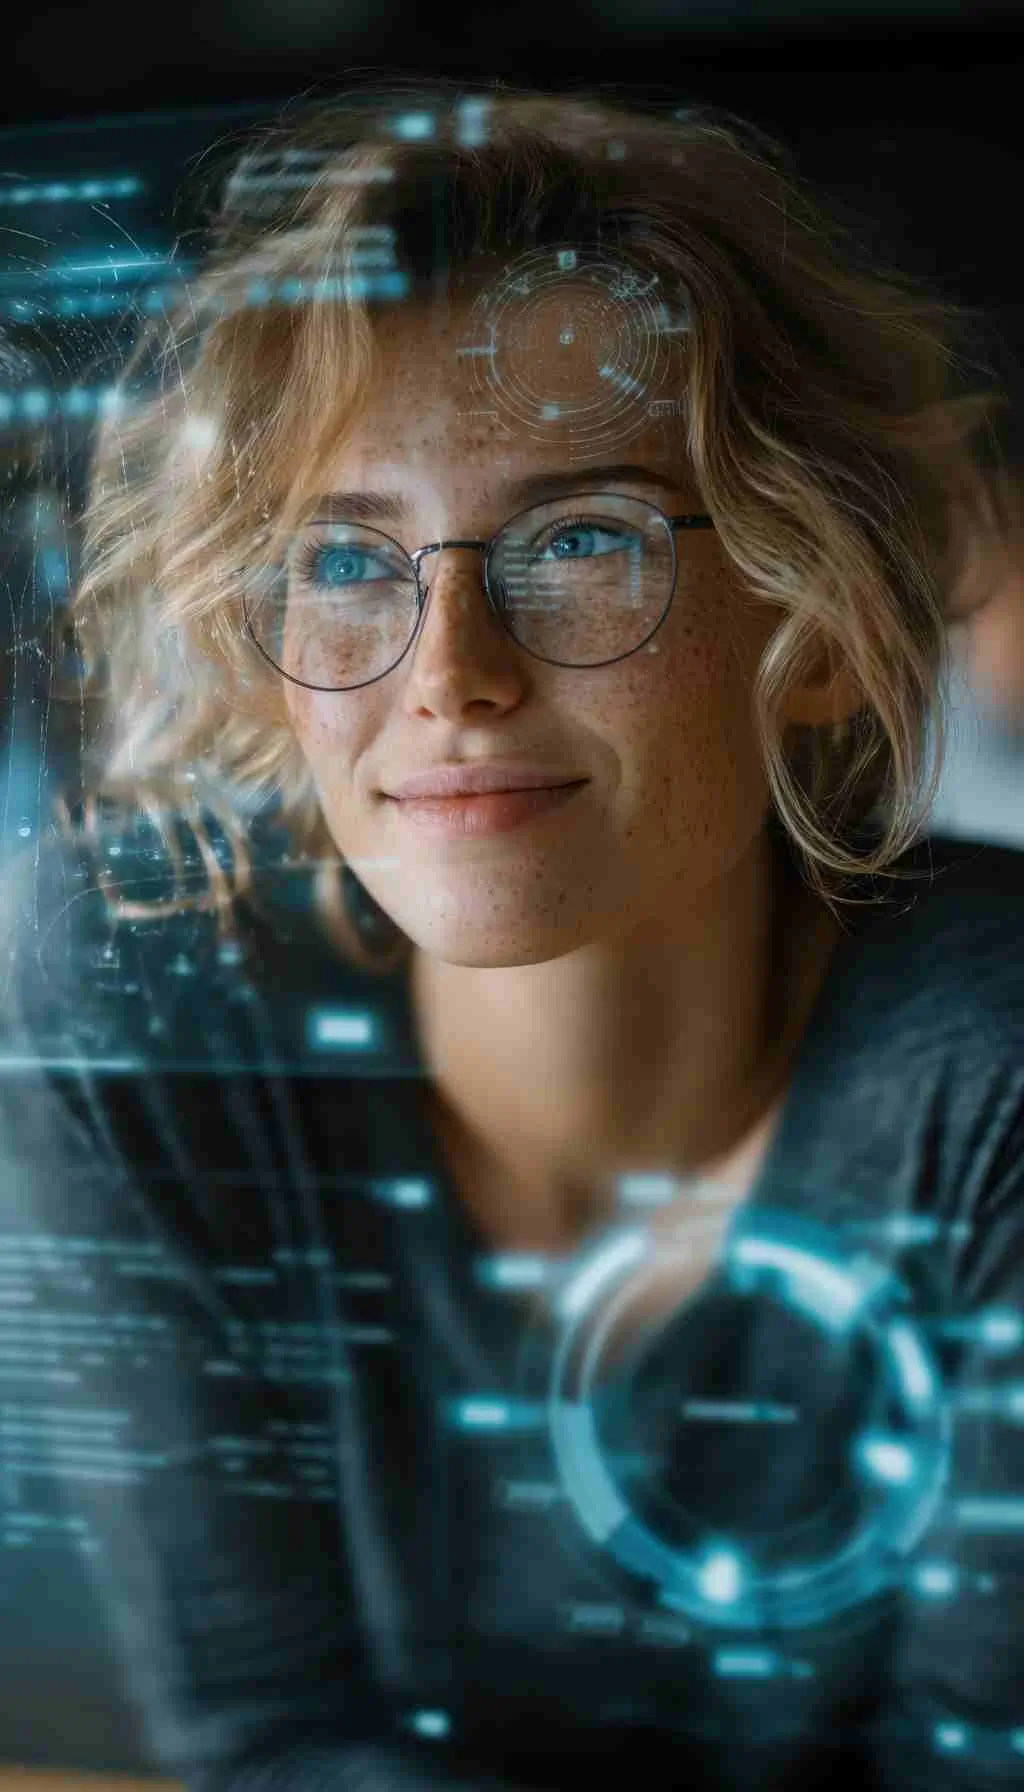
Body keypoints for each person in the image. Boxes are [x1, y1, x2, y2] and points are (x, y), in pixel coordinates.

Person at [2, 75, 1024, 1792]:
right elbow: (269, 1737)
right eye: (344, 559)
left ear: (825, 620)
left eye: (579, 540)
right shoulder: (139, 976)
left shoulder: (990, 1077)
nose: (450, 671)